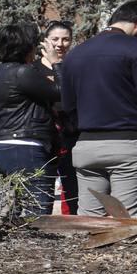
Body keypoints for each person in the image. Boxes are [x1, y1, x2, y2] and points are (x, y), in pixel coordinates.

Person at [59, 0, 137, 216]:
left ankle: (86, 251)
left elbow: (68, 105)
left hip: (86, 144)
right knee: (126, 219)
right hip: (128, 142)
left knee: (89, 218)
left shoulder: (75, 53)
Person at [0, 22, 59, 210]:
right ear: (28, 46)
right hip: (23, 145)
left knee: (16, 208)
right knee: (37, 208)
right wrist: (56, 62)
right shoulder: (22, 72)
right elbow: (59, 92)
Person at [40, 21, 77, 213]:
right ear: (45, 41)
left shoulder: (75, 68)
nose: (60, 44)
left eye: (66, 39)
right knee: (43, 191)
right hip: (46, 137)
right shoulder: (34, 69)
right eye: (55, 39)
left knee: (73, 191)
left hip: (71, 136)